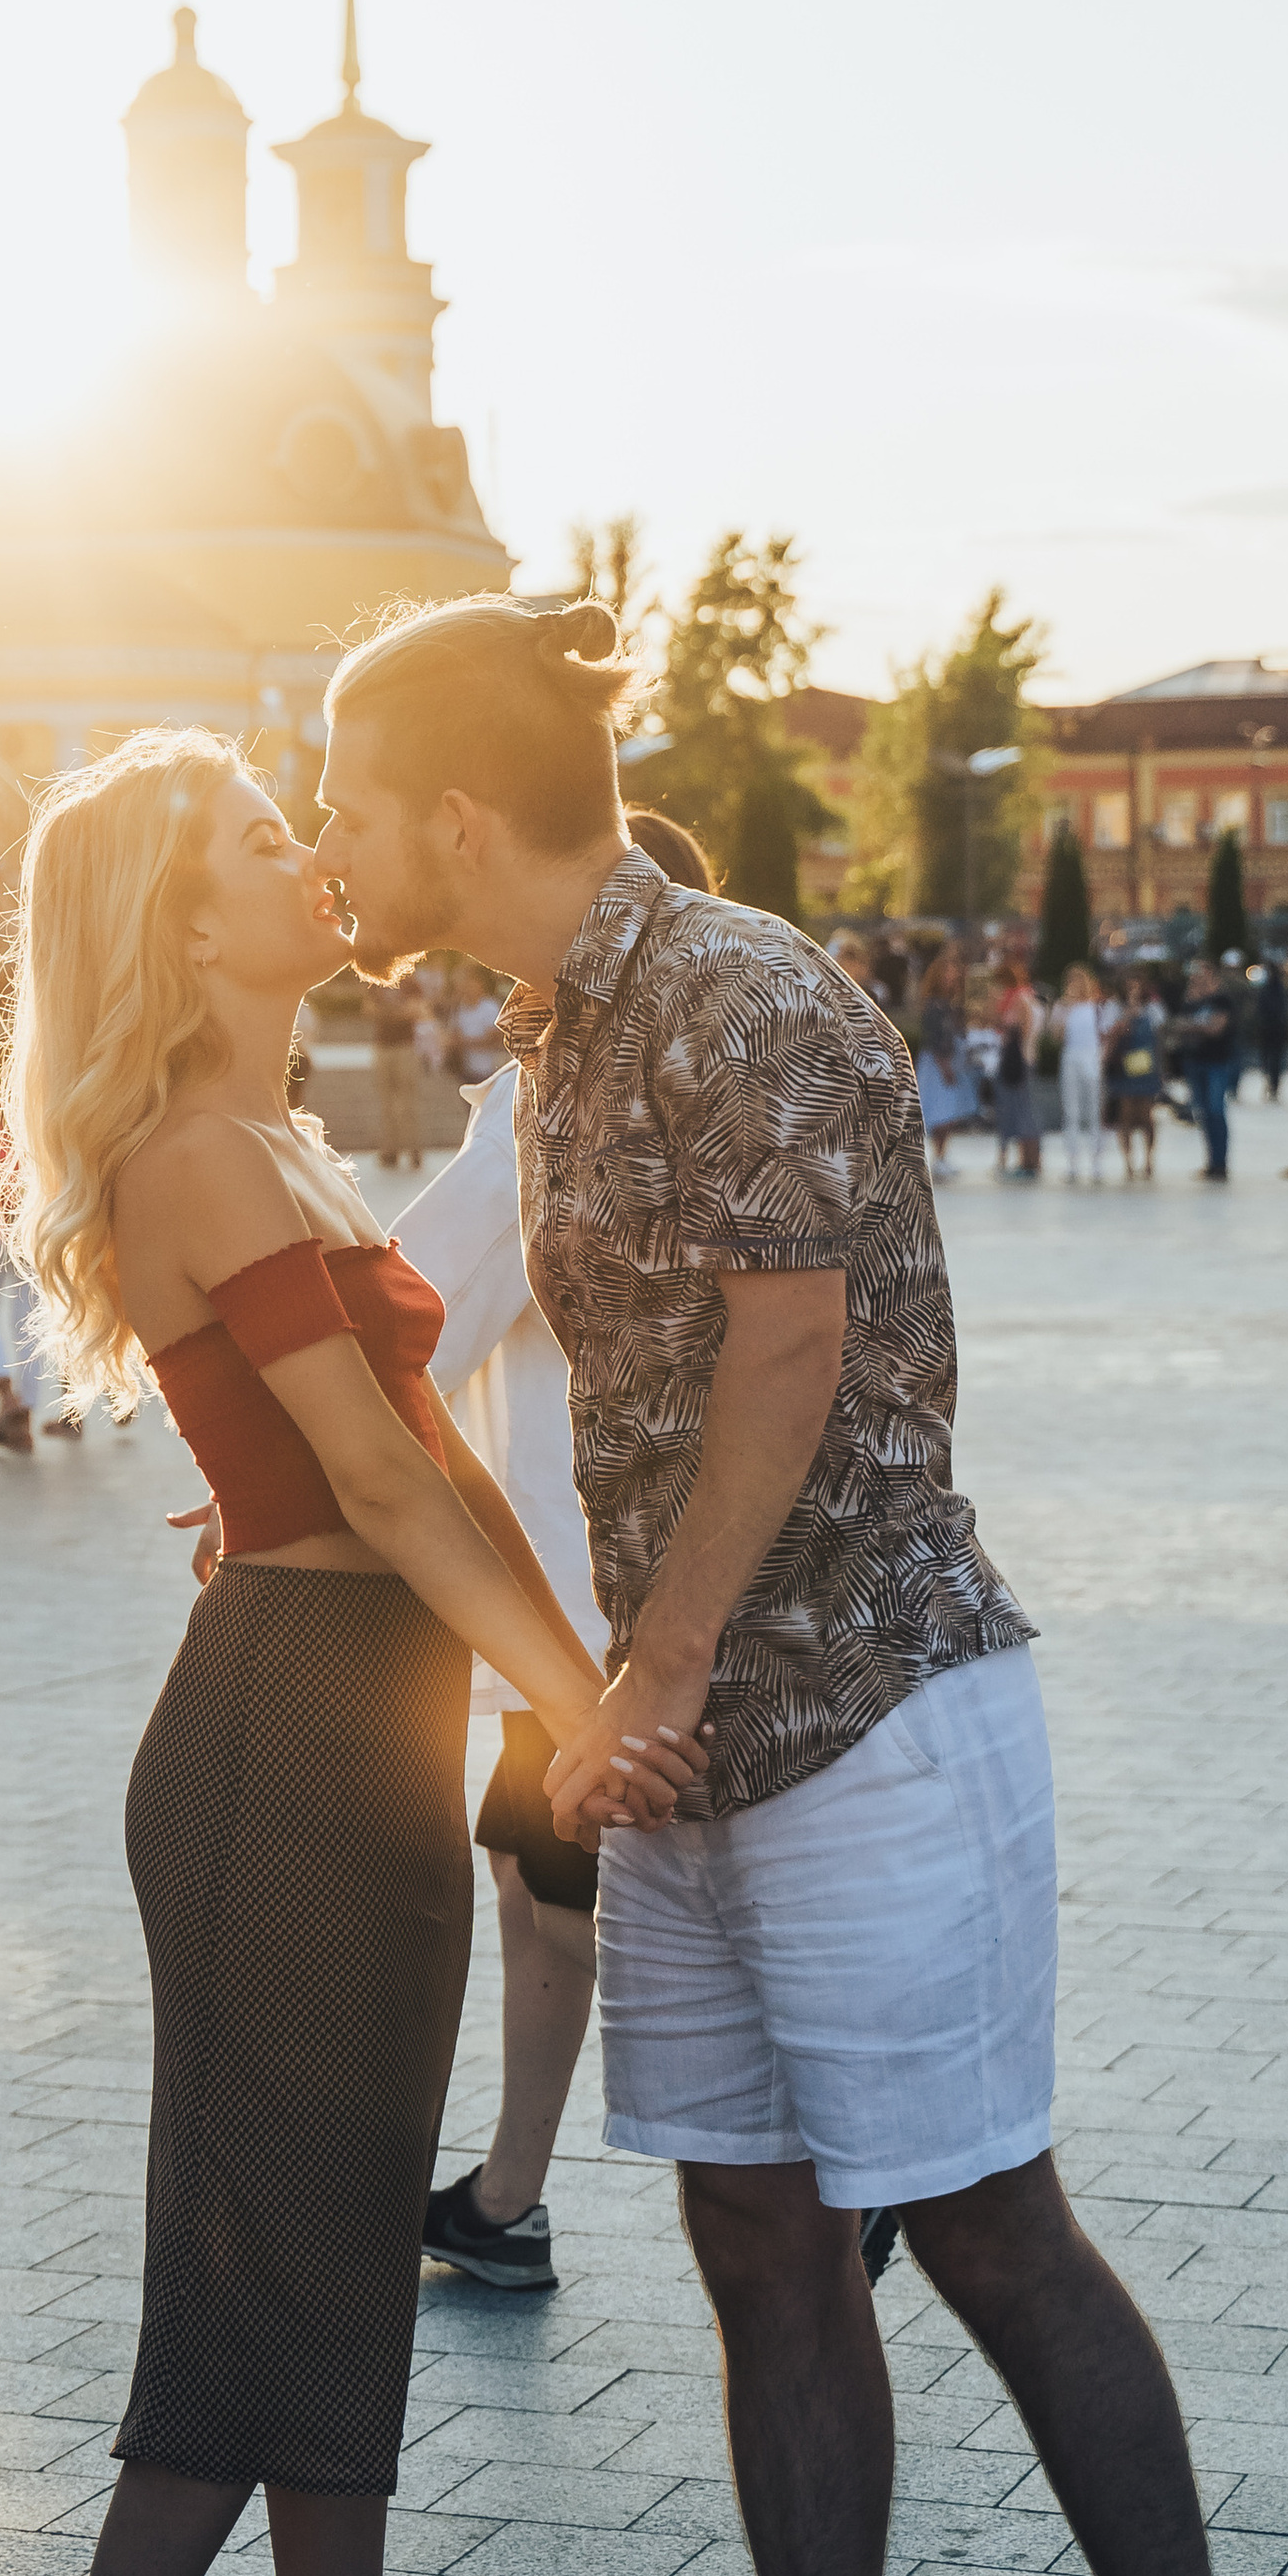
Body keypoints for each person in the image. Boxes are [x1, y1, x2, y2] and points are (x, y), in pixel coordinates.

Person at [313, 593, 1288, 2576]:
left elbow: (788, 1349)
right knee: (758, 2239)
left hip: (862, 1708)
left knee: (985, 2226)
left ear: (453, 808)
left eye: (342, 792)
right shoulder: (556, 1020)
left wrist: (633, 1676)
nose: (324, 835)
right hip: (689, 1753)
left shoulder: (737, 987)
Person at [0, 726, 702, 2576]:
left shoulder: (282, 1131)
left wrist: (569, 1680)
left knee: (343, 2256)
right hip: (283, 1738)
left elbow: (438, 1458)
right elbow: (374, 1491)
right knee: (263, 2263)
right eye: (262, 843)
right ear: (180, 922)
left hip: (366, 1727)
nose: (311, 860)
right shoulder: (195, 1147)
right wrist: (577, 1703)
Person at [401, 805, 772, 2297]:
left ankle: (530, 2190)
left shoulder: (544, 1108)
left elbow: (410, 1318)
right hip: (705, 1577)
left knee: (572, 1884)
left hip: (580, 1599)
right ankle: (511, 2190)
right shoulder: (725, 1075)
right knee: (574, 1879)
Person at [0, 1136, 77, 1452]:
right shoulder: (37, 1095)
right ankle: (23, 1413)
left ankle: (7, 1396)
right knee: (27, 1321)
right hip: (34, 1221)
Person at [911, 953, 979, 1181]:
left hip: (949, 1059)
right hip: (937, 1062)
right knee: (940, 1112)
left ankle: (941, 1156)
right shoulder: (933, 1005)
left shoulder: (950, 1004)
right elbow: (933, 1038)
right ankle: (937, 1157)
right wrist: (944, 1066)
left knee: (948, 1112)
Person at [1046, 964, 1105, 1185]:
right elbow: (1056, 1036)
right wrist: (1064, 1009)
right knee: (1071, 1110)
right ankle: (1073, 1160)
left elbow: (1103, 1034)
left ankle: (1096, 1160)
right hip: (1071, 1057)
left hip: (1091, 1057)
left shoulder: (1095, 1007)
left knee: (1093, 1110)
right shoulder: (1063, 1007)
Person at [1178, 960, 1236, 1179]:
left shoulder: (1221, 1000)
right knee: (1202, 1113)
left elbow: (1215, 1029)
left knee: (1215, 1110)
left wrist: (1193, 1026)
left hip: (1216, 1062)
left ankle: (1220, 1162)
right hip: (1195, 1061)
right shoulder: (1191, 1001)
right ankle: (1211, 1161)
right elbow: (1179, 1024)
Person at [986, 960, 1041, 1179]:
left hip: (1018, 1061)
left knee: (1018, 1109)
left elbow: (1022, 1028)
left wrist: (1021, 1050)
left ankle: (1028, 1161)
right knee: (1023, 1108)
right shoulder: (1030, 996)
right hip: (1024, 1059)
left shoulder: (1019, 999)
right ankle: (1029, 1160)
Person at [365, 974, 424, 1168]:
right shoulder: (376, 981)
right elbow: (368, 1009)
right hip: (383, 1047)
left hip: (405, 1047)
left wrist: (386, 1012)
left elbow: (415, 1011)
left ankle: (414, 1148)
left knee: (408, 1102)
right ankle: (390, 1150)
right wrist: (397, 1012)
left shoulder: (410, 983)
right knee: (386, 1102)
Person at [1108, 974, 1164, 1176]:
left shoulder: (1153, 1010)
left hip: (1146, 1068)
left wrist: (1162, 1071)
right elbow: (1110, 1035)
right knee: (1126, 1115)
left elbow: (1159, 1040)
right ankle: (1129, 1161)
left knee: (1146, 1115)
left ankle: (1149, 1159)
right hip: (1125, 1067)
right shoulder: (1115, 1009)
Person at [1250, 958, 1288, 1103]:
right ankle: (1270, 1083)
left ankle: (1273, 1085)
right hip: (1267, 1029)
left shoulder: (1277, 989)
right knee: (1268, 1059)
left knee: (1275, 1060)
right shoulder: (1266, 988)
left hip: (1275, 1029)